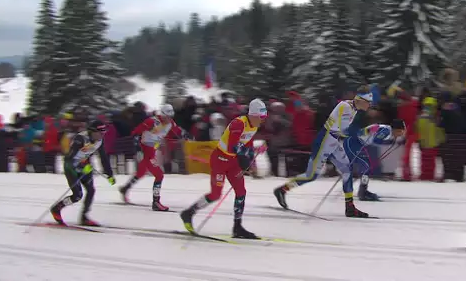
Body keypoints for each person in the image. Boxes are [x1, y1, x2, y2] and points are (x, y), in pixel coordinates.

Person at [273, 85, 380, 217]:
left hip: (333, 140)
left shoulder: (353, 108)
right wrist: (366, 132)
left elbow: (343, 131)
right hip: (325, 140)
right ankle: (282, 190)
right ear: (361, 100)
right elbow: (345, 130)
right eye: (368, 103)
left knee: (347, 171)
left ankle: (350, 207)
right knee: (311, 175)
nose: (369, 106)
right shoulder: (346, 107)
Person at [180, 99, 267, 239]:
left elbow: (248, 143)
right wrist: (244, 157)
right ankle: (188, 213)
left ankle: (237, 227)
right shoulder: (239, 123)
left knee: (241, 192)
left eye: (264, 118)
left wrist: (253, 153)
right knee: (215, 194)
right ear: (252, 114)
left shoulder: (254, 125)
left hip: (233, 162)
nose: (262, 121)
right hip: (220, 159)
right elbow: (233, 145)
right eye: (260, 117)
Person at [119, 104, 188, 211]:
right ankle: (156, 202)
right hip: (145, 151)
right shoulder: (152, 121)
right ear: (162, 115)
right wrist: (136, 141)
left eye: (171, 117)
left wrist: (185, 135)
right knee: (159, 175)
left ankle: (125, 188)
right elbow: (135, 132)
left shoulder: (171, 124)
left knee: (141, 172)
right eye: (167, 117)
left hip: (152, 150)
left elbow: (176, 132)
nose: (169, 119)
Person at [50, 120, 115, 226]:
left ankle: (84, 217)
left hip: (84, 166)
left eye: (104, 133)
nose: (102, 135)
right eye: (100, 133)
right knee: (77, 195)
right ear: (93, 132)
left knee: (91, 191)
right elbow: (70, 158)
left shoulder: (99, 141)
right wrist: (81, 166)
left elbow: (104, 158)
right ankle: (56, 209)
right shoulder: (80, 139)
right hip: (71, 167)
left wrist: (110, 174)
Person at [347, 119, 407, 201]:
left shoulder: (387, 130)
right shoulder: (386, 131)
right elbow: (376, 140)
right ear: (396, 129)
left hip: (358, 142)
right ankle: (362, 192)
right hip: (356, 143)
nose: (401, 134)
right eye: (401, 131)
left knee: (366, 168)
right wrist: (391, 142)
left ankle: (363, 190)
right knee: (366, 168)